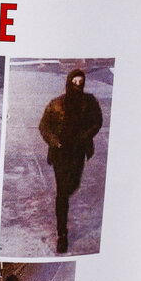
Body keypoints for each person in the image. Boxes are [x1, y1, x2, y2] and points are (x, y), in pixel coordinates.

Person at [38, 69, 102, 253]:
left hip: (78, 152)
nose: (77, 85)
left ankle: (67, 194)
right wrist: (55, 142)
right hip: (61, 153)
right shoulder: (56, 104)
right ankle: (62, 235)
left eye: (80, 82)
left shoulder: (89, 102)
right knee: (62, 194)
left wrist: (84, 137)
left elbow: (97, 121)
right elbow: (44, 125)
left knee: (73, 185)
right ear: (68, 82)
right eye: (74, 81)